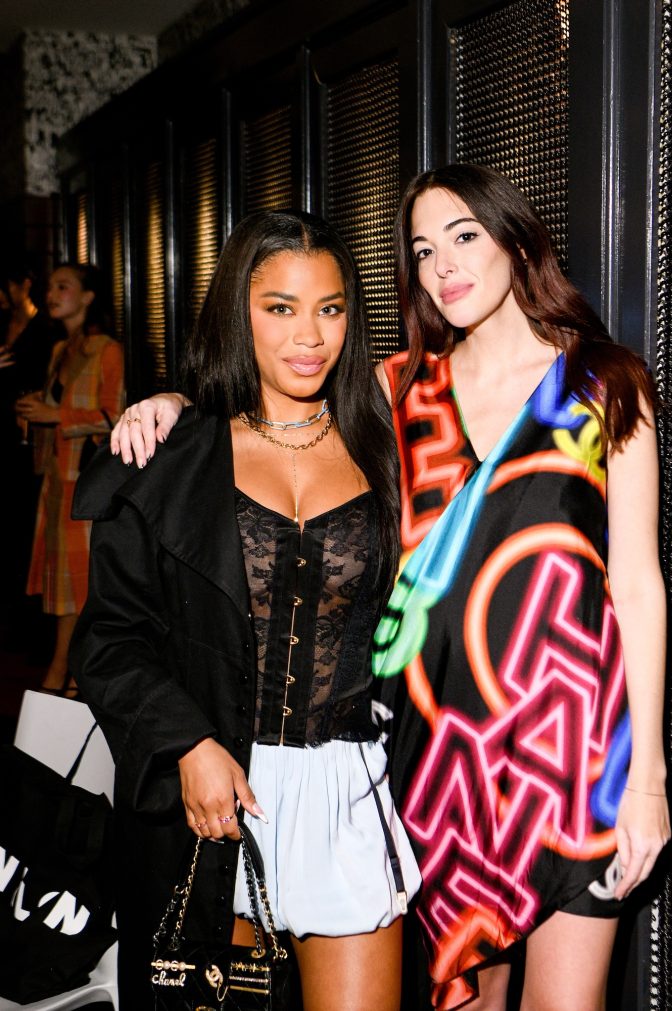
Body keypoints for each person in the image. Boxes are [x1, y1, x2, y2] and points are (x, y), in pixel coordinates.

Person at [112, 165, 671, 1011]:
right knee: (468, 1000)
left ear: (516, 241)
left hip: (575, 747)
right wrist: (172, 406)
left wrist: (647, 777)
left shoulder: (606, 384)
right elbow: (275, 414)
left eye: (464, 236)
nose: (444, 265)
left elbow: (637, 583)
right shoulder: (396, 391)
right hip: (441, 755)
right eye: (422, 249)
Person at [69, 210, 421, 1011]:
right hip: (213, 795)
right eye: (280, 307)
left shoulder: (389, 445)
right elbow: (111, 640)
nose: (309, 336)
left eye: (330, 308)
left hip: (345, 788)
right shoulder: (176, 456)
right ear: (241, 311)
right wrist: (188, 742)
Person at [16, 263, 124, 695]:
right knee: (64, 585)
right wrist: (34, 412)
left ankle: (68, 673)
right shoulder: (61, 349)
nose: (52, 294)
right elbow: (54, 409)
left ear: (88, 297)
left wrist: (54, 413)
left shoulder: (107, 350)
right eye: (51, 287)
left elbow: (114, 415)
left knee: (82, 584)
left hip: (87, 482)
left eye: (64, 286)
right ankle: (67, 672)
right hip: (56, 479)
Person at [0, 263, 56, 643]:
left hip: (35, 438)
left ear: (24, 284)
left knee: (26, 525)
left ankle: (31, 624)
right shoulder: (3, 323)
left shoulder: (47, 330)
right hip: (8, 434)